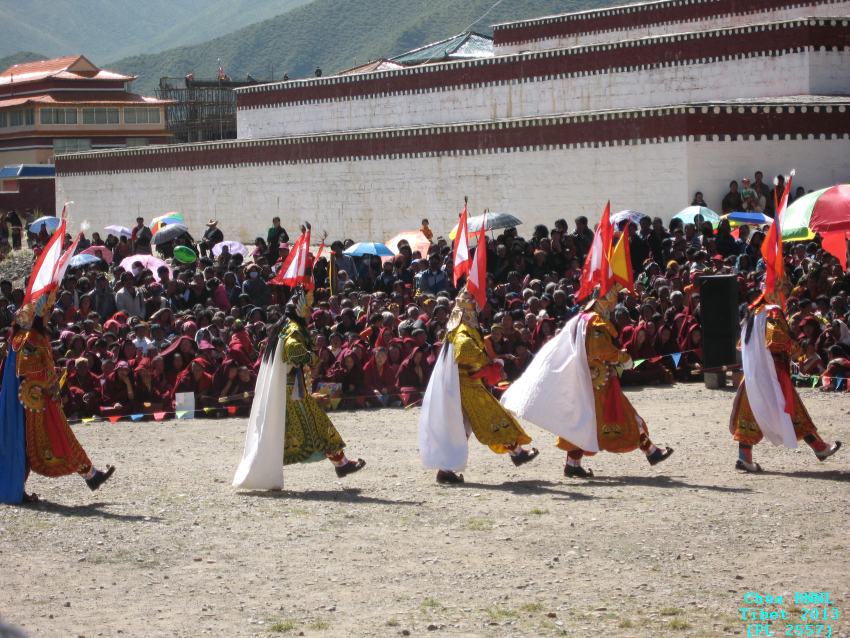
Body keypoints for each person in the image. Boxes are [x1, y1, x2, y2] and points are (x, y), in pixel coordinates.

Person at [503, 283, 674, 478]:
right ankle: (651, 451)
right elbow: (600, 349)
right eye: (613, 296)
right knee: (624, 415)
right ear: (604, 299)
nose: (615, 301)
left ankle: (573, 464)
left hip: (589, 379)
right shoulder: (595, 321)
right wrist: (623, 357)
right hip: (598, 382)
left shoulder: (583, 318)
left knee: (581, 422)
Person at [233, 288, 365, 490]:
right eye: (308, 308)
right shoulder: (293, 329)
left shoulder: (285, 326)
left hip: (292, 390)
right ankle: (339, 463)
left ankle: (341, 463)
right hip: (292, 394)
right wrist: (312, 358)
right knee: (313, 426)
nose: (310, 313)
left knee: (306, 427)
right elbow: (293, 350)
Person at [0, 294, 114, 504]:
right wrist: (49, 381)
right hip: (34, 400)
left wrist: (52, 379)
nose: (49, 316)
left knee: (60, 437)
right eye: (47, 312)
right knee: (34, 443)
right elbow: (25, 370)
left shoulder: (34, 337)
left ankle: (91, 475)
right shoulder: (30, 339)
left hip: (43, 398)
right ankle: (19, 488)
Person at [418, 287, 538, 485]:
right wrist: (487, 361)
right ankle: (516, 452)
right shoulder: (461, 330)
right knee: (492, 415)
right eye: (473, 307)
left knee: (465, 426)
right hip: (467, 385)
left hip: (467, 383)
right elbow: (464, 350)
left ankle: (446, 470)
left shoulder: (463, 328)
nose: (477, 311)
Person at [730, 281, 842, 472]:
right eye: (783, 290)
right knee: (790, 408)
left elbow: (742, 344)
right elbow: (777, 339)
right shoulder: (772, 311)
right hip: (772, 371)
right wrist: (796, 349)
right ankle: (819, 447)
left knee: (752, 411)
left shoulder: (753, 312)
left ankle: (745, 457)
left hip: (754, 371)